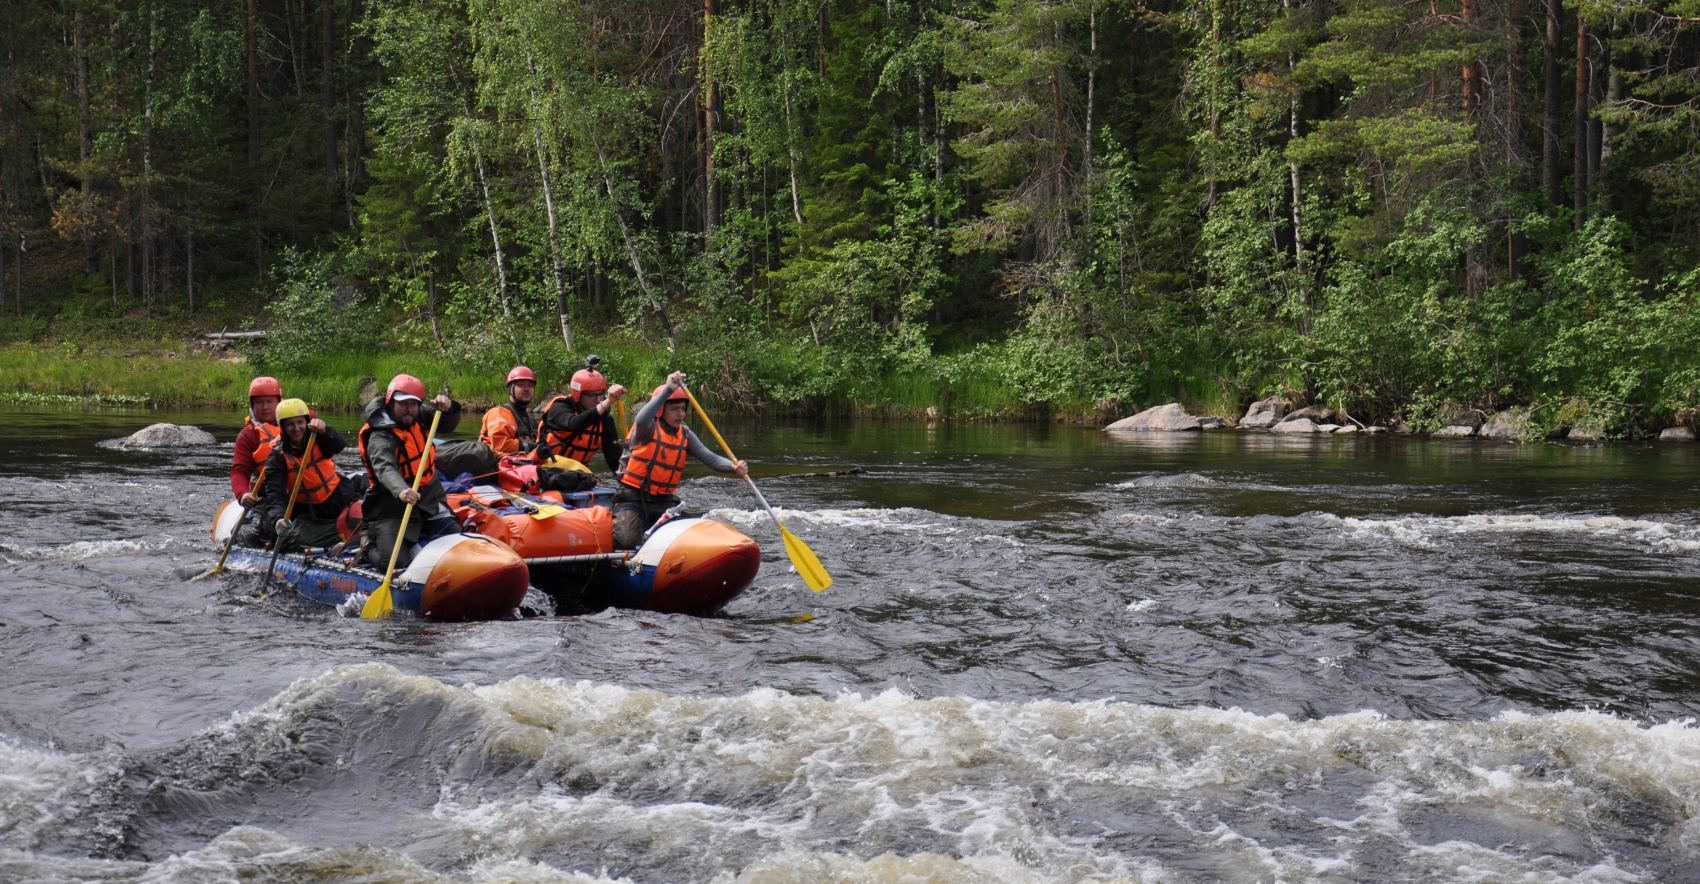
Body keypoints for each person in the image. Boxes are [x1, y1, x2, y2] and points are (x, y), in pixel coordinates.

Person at [612, 371, 748, 549]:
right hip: (633, 499)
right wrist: (668, 389)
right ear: (661, 410)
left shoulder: (685, 434)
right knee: (627, 540)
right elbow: (641, 418)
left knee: (693, 538)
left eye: (683, 409)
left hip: (665, 502)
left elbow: (711, 459)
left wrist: (733, 466)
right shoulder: (646, 429)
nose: (680, 414)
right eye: (674, 409)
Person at [358, 374, 464, 570]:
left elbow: (448, 425)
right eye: (403, 404)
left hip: (427, 500)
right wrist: (401, 490)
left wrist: (450, 408)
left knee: (457, 540)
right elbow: (384, 467)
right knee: (395, 563)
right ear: (391, 402)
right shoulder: (379, 435)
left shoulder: (420, 416)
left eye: (413, 404)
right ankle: (366, 546)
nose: (409, 409)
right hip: (390, 507)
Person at [258, 398, 367, 552]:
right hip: (309, 512)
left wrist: (325, 431)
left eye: (300, 422)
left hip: (338, 498)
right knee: (291, 538)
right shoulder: (277, 457)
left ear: (307, 422)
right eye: (290, 424)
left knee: (364, 515)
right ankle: (343, 540)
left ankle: (350, 539)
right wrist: (278, 520)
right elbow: (275, 495)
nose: (296, 428)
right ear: (282, 427)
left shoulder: (318, 437)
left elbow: (339, 444)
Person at [538, 356, 627, 473]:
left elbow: (614, 459)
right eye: (592, 395)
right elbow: (574, 423)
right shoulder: (559, 407)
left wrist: (627, 485)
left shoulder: (605, 420)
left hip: (577, 476)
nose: (598, 400)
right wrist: (608, 402)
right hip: (544, 471)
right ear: (578, 394)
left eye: (601, 395)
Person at [230, 376, 283, 507]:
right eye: (259, 402)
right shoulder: (247, 435)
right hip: (265, 495)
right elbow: (239, 471)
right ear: (253, 405)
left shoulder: (297, 424)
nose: (265, 407)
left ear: (279, 402)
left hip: (298, 491)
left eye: (270, 401)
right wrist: (243, 494)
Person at [478, 366, 541, 457]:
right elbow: (500, 445)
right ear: (510, 389)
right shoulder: (499, 413)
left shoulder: (532, 421)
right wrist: (531, 446)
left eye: (530, 385)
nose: (527, 389)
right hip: (497, 464)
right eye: (521, 385)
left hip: (524, 463)